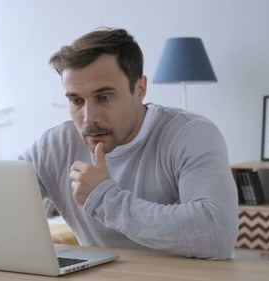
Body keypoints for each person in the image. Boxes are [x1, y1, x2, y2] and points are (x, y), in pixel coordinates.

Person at [19, 27, 238, 260]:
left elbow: (216, 236)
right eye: (76, 100)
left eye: (104, 97)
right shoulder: (53, 147)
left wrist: (104, 198)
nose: (88, 117)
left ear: (140, 89)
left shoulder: (191, 134)